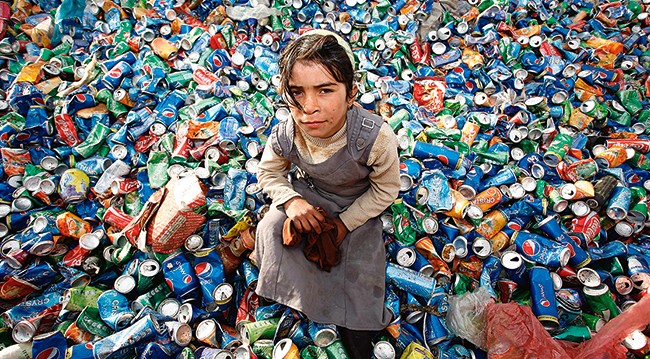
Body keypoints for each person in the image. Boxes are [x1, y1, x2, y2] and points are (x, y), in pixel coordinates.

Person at [253, 30, 400, 357]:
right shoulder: (288, 131)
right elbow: (268, 172)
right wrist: (292, 202)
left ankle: (351, 332)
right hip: (310, 195)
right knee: (269, 230)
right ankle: (279, 299)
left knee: (359, 274)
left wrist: (346, 223)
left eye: (324, 91)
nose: (309, 107)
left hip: (358, 206)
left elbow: (385, 189)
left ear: (351, 94)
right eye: (297, 92)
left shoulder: (375, 137)